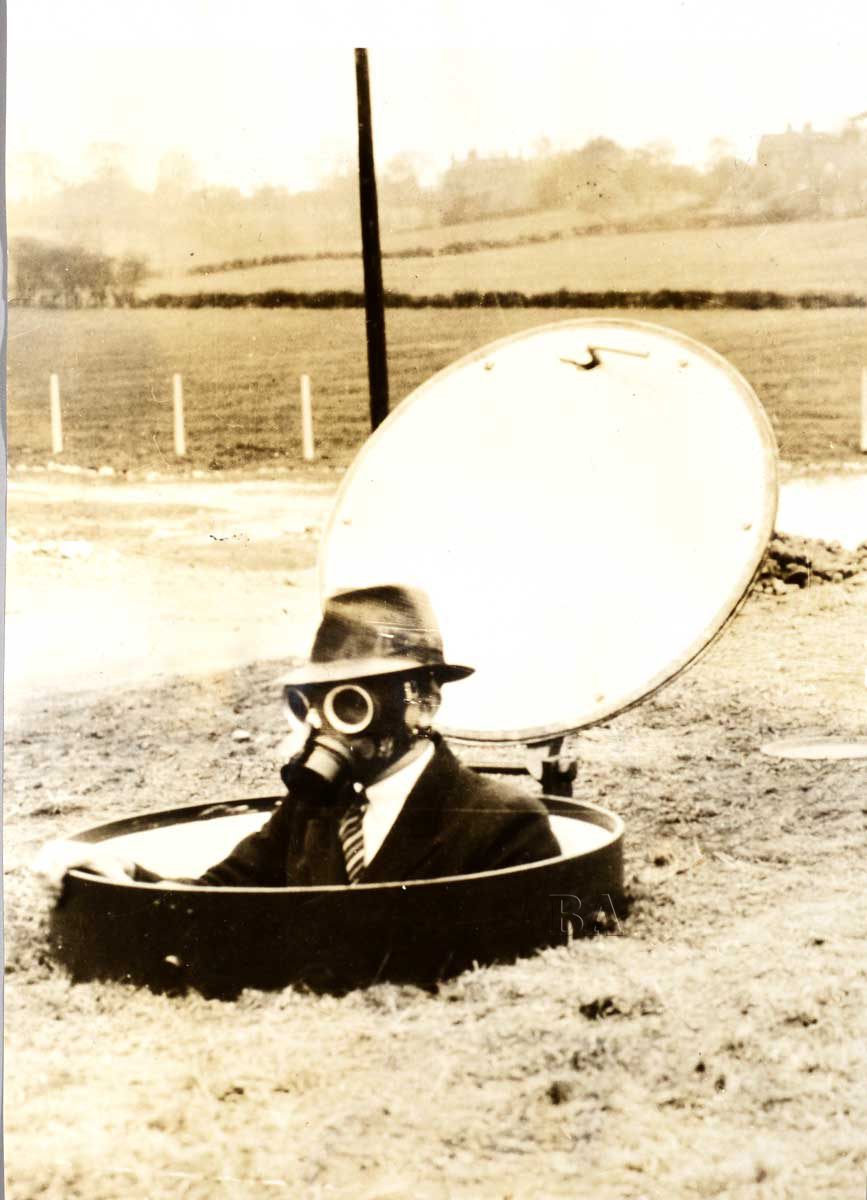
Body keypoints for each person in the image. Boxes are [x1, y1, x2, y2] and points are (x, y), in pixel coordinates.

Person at [35, 584, 561, 893]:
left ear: (424, 700)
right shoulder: (312, 811)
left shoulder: (503, 823)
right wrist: (124, 872)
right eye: (317, 703)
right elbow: (219, 898)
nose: (332, 726)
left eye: (353, 702)